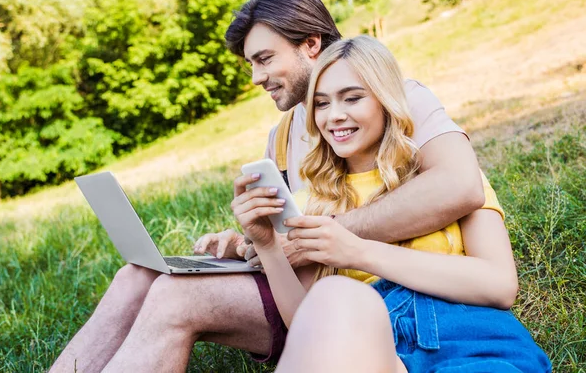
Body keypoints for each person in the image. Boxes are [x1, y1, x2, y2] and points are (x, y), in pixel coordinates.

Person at [50, 0, 486, 372]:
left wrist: (323, 237)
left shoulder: (396, 97)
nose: (257, 77)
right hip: (293, 280)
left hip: (348, 296)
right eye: (250, 64)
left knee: (174, 295)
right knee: (136, 277)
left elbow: (460, 185)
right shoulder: (281, 139)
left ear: (311, 44)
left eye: (264, 59)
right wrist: (243, 242)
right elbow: (281, 234)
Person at [231, 35, 551, 372]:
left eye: (352, 98)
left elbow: (500, 286)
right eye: (322, 104)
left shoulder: (436, 182)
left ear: (386, 101)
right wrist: (268, 247)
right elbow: (309, 334)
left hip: (473, 344)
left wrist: (357, 251)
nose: (335, 116)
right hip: (378, 355)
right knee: (333, 296)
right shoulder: (313, 203)